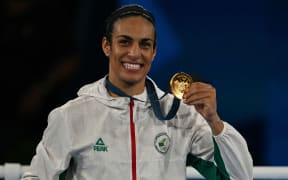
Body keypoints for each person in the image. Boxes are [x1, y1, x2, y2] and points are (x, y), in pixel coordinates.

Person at [21, 4, 253, 180]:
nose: (134, 53)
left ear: (153, 52)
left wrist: (215, 122)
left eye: (144, 44)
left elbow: (240, 176)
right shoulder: (72, 116)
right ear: (106, 46)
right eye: (124, 42)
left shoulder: (181, 116)